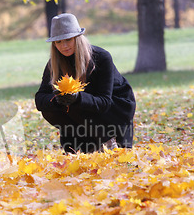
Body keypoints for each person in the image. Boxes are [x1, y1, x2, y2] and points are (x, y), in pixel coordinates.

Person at [35, 13, 136, 153]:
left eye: (68, 39)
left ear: (78, 38)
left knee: (73, 104)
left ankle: (108, 139)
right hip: (83, 115)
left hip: (115, 109)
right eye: (58, 42)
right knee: (50, 109)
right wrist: (58, 100)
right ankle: (84, 144)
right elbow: (40, 98)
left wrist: (77, 98)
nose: (64, 46)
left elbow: (105, 101)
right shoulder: (54, 63)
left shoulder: (101, 57)